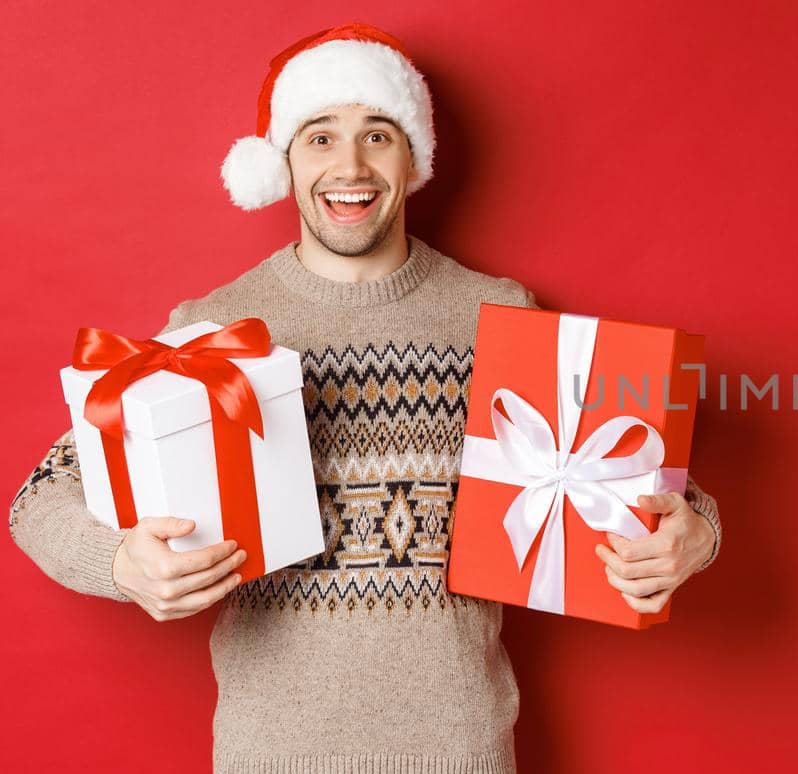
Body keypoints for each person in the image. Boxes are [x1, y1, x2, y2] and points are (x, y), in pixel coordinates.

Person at [7, 22, 722, 773]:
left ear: (413, 156)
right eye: (319, 136)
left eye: (377, 134)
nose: (349, 164)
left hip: (461, 752)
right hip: (270, 757)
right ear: (283, 160)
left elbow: (646, 491)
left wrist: (697, 534)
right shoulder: (208, 332)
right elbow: (41, 494)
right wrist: (119, 562)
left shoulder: (498, 315)